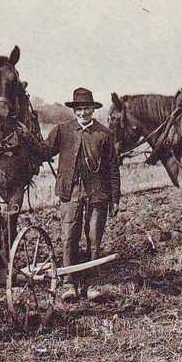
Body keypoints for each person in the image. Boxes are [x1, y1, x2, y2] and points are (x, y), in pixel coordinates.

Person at [44, 87, 120, 301]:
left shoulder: (105, 134)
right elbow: (43, 152)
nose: (83, 112)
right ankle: (69, 284)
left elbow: (113, 168)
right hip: (70, 193)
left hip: (98, 194)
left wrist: (115, 198)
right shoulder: (62, 131)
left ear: (93, 110)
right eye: (79, 108)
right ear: (74, 110)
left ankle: (92, 284)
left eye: (86, 108)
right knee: (69, 237)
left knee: (94, 238)